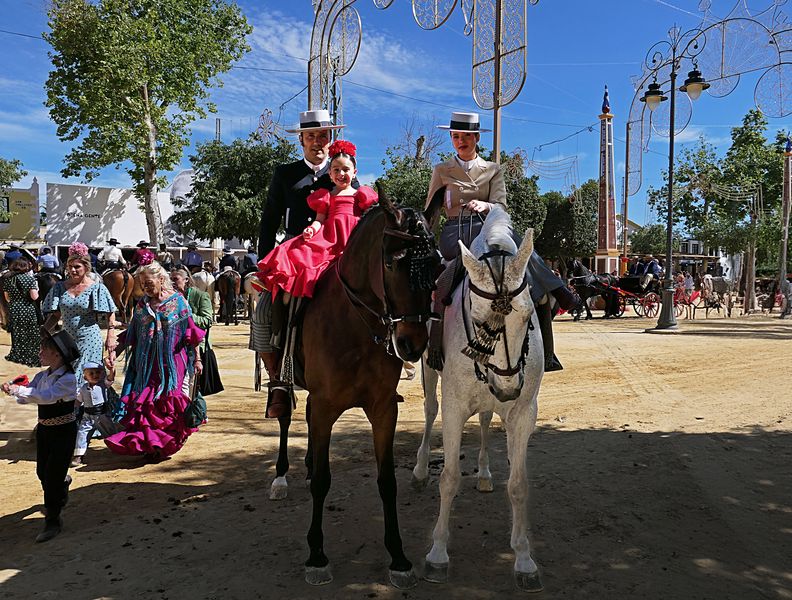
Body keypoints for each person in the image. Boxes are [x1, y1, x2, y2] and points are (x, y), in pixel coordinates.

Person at [425, 111, 577, 372]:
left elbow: (500, 206)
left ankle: (546, 353)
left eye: (466, 136)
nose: (461, 141)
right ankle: (558, 289)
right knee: (442, 283)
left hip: (488, 225)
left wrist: (485, 204)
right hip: (456, 232)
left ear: (476, 138)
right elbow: (430, 211)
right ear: (451, 138)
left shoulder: (493, 170)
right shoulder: (441, 170)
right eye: (456, 136)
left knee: (517, 246)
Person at [255, 139, 376, 417]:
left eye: (323, 135)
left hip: (351, 247)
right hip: (320, 244)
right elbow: (271, 220)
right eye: (311, 136)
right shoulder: (288, 174)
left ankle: (392, 361)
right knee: (270, 305)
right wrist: (267, 261)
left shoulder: (359, 192)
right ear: (302, 140)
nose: (317, 141)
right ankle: (279, 379)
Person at [104, 262, 205, 459]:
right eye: (142, 284)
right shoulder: (142, 305)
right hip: (146, 365)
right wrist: (115, 352)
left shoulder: (179, 302)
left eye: (148, 282)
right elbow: (132, 334)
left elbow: (192, 332)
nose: (146, 288)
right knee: (147, 402)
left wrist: (197, 359)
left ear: (161, 279)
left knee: (169, 400)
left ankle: (165, 443)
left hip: (173, 364)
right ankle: (150, 446)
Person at [3, 328, 80, 542]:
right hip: (45, 431)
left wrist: (19, 391)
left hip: (63, 432)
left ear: (56, 354)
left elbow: (46, 397)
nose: (40, 353)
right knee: (42, 472)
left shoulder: (67, 379)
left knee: (52, 476)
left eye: (43, 350)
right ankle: (62, 485)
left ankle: (53, 519)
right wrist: (14, 390)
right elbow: (29, 395)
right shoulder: (42, 376)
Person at [42, 252, 118, 384]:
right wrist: (44, 329)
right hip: (67, 341)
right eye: (69, 266)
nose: (72, 270)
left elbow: (110, 311)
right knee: (69, 378)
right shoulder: (59, 287)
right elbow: (56, 315)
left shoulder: (97, 287)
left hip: (90, 339)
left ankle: (95, 404)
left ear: (86, 267)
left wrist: (110, 335)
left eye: (77, 266)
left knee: (89, 377)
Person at [71, 361, 113, 467]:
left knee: (110, 433)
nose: (95, 375)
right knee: (82, 433)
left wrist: (111, 369)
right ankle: (79, 456)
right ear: (85, 377)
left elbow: (111, 378)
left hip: (102, 416)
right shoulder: (82, 389)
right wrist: (71, 409)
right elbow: (78, 402)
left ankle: (118, 448)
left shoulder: (104, 385)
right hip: (87, 416)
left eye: (97, 373)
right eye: (91, 373)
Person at [3, 258, 41, 366]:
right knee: (30, 331)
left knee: (17, 332)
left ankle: (17, 354)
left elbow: (7, 298)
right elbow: (34, 297)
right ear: (26, 267)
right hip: (27, 308)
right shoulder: (30, 279)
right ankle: (30, 355)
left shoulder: (8, 280)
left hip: (14, 308)